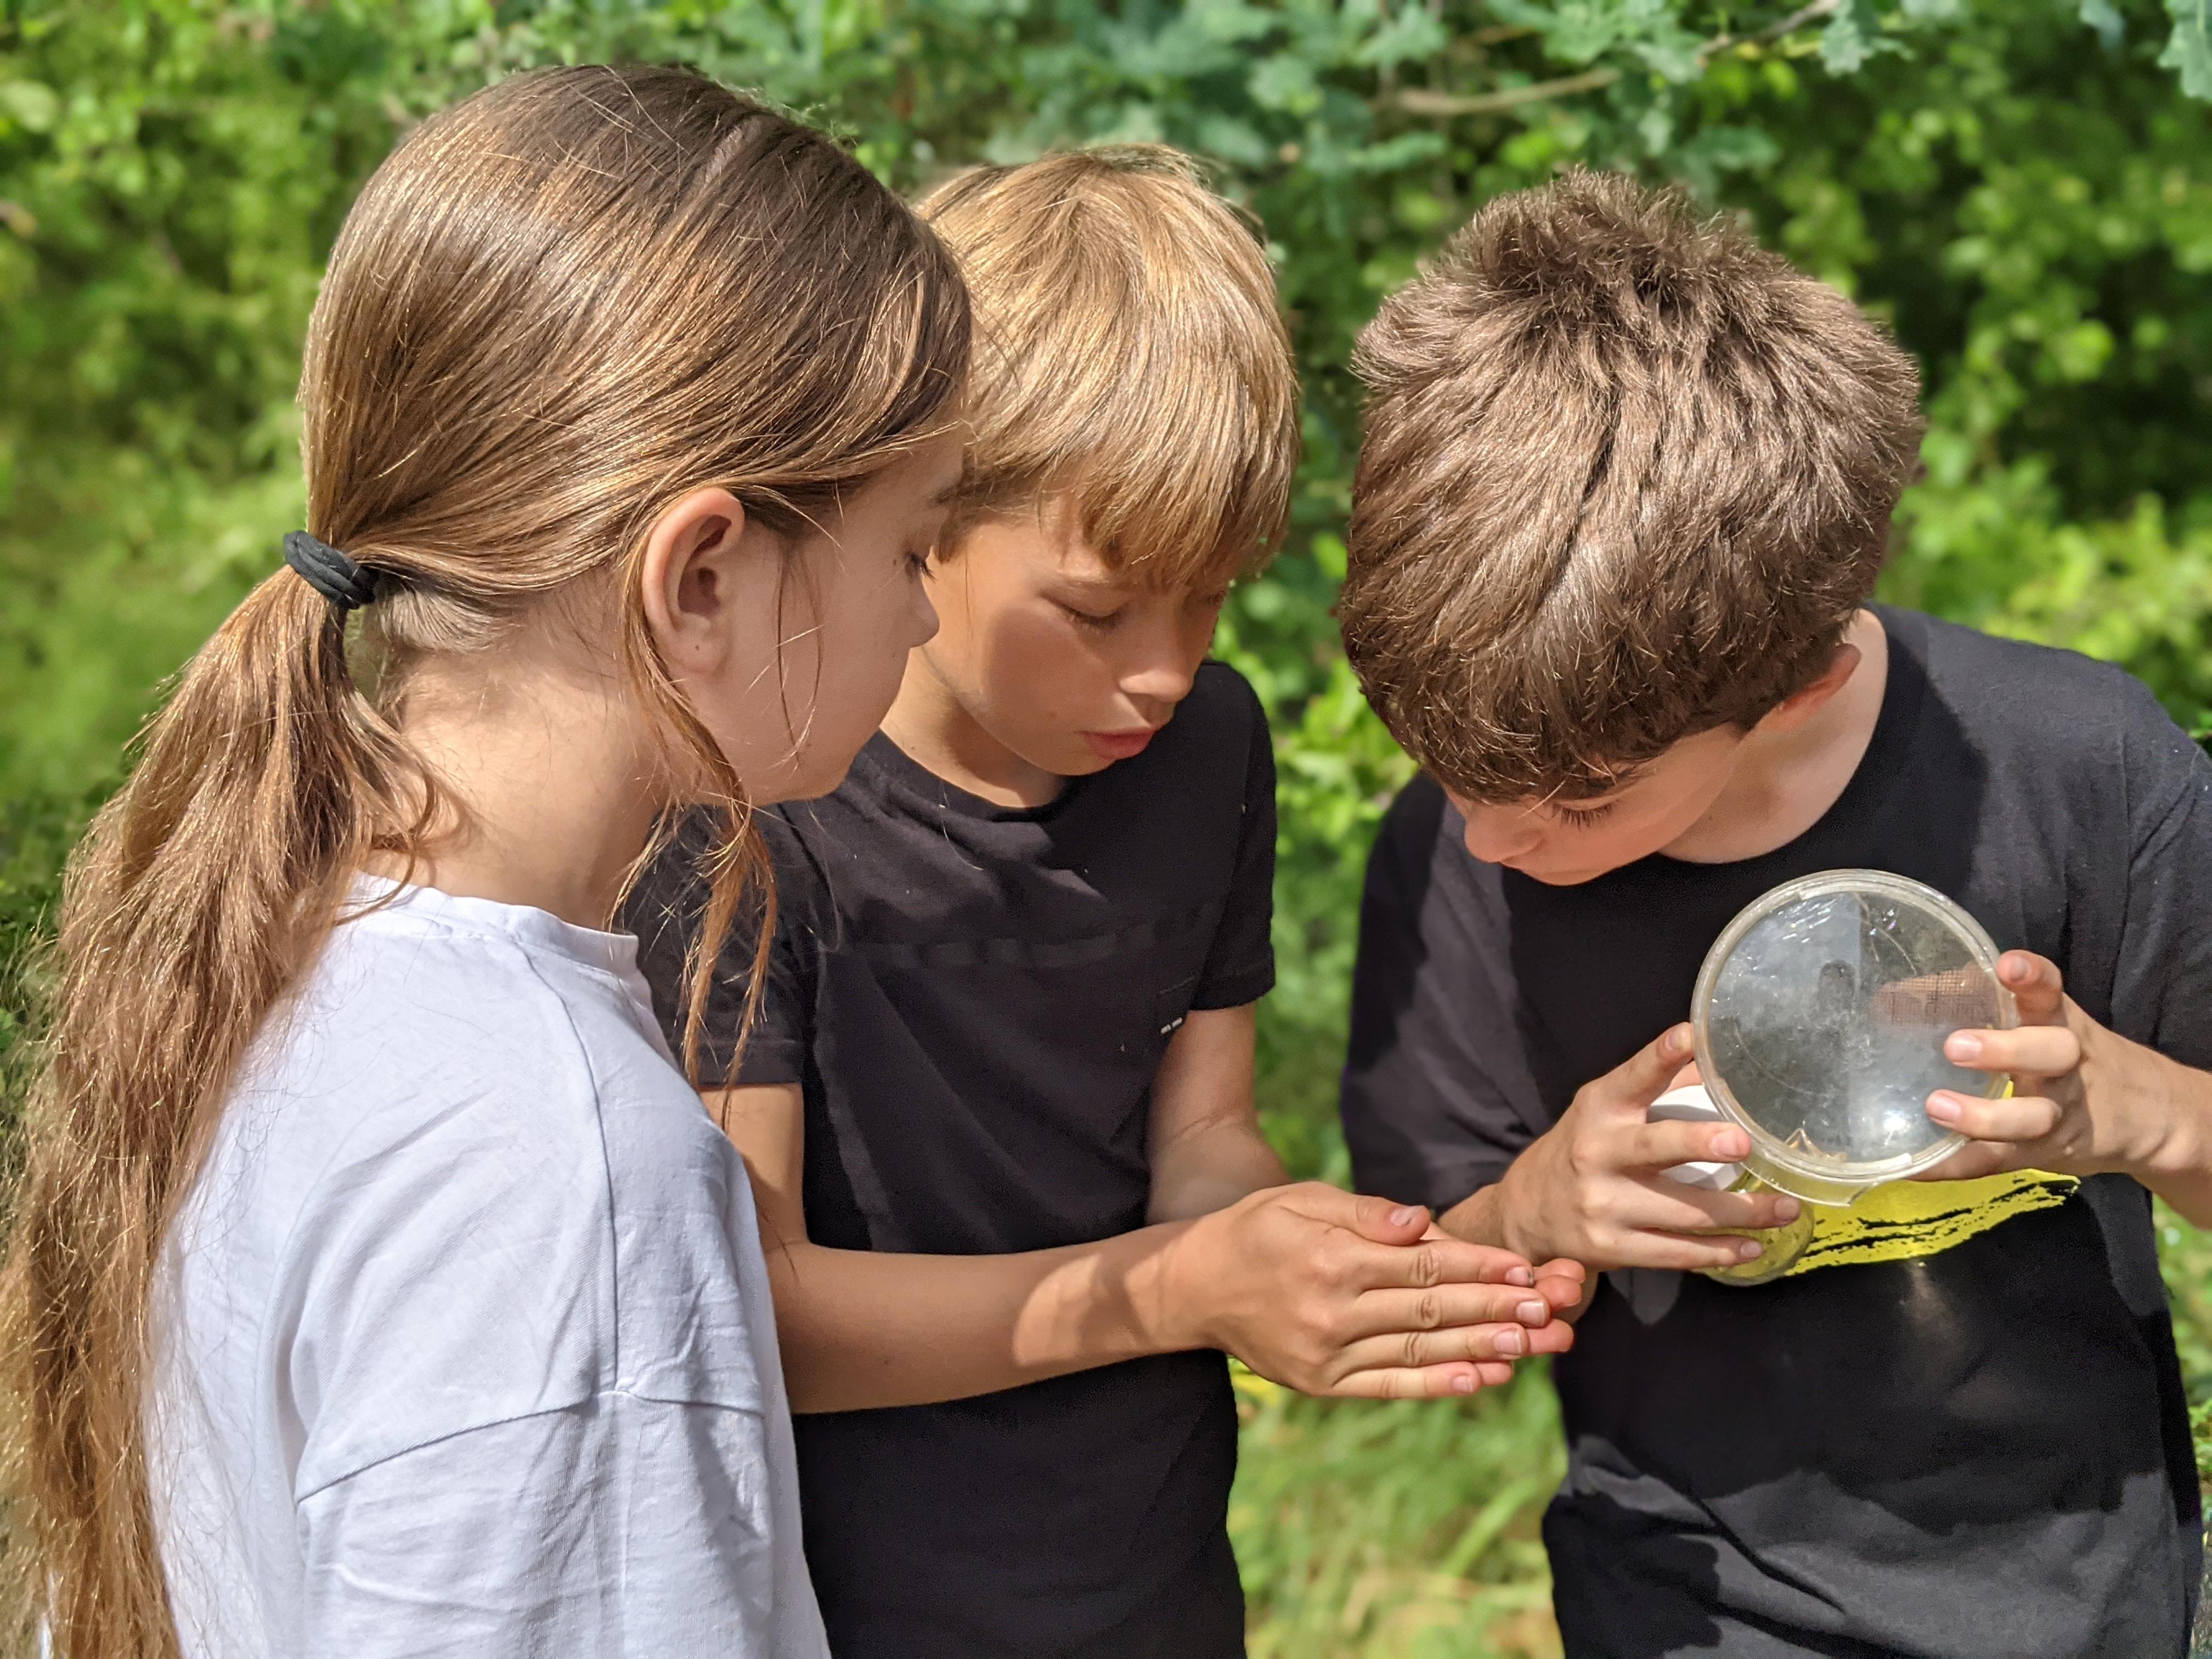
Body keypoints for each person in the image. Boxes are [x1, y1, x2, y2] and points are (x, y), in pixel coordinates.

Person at [0, 65, 973, 1659]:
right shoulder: (562, 1165)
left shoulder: (268, 951)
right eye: (913, 545)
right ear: (701, 577)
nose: (926, 613)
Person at [628, 146, 1582, 1659]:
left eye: (1213, 598)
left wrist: (1309, 1256)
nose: (1164, 670)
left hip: (1151, 1561)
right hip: (849, 1595)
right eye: (1097, 608)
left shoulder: (1210, 749)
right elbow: (768, 1315)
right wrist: (1175, 1287)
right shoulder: (754, 805)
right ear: (923, 522)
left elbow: (1200, 1140)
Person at [1334, 170, 2212, 1658]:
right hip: (1681, 1607)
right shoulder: (1456, 853)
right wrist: (1535, 1211)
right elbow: (1420, 1295)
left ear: (1795, 689)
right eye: (1448, 773)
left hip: (2084, 1601)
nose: (1490, 836)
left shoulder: (2086, 769)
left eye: (1581, 801)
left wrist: (2143, 1112)